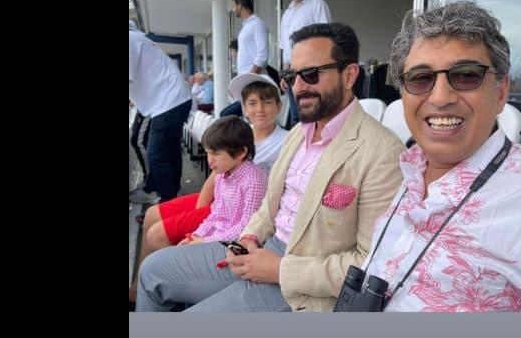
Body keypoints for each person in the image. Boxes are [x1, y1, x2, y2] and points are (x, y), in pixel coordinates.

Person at [136, 23, 404, 312]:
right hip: (261, 247)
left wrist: (280, 269)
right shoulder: (299, 134)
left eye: (311, 74)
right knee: (151, 271)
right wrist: (249, 237)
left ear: (349, 75)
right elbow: (267, 206)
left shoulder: (383, 153)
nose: (299, 87)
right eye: (292, 75)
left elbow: (371, 263)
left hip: (303, 283)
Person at [360, 0, 521, 312]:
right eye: (421, 78)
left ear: (500, 92)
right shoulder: (412, 169)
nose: (440, 97)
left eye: (466, 75)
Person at [129, 117, 268, 308]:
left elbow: (245, 229)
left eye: (215, 154)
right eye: (207, 153)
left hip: (233, 247)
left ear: (241, 152)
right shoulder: (222, 174)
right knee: (176, 252)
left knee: (174, 263)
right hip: (216, 237)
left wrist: (203, 242)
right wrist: (195, 236)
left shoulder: (253, 181)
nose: (209, 160)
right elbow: (215, 214)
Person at [129, 23, 192, 203]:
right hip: (173, 99)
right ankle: (172, 197)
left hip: (168, 102)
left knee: (157, 155)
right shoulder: (137, 38)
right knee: (169, 150)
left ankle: (166, 203)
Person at [279, 0, 331, 125]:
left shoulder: (317, 4)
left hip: (310, 73)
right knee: (297, 118)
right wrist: (284, 74)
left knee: (314, 117)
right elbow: (285, 48)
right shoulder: (286, 14)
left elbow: (326, 39)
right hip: (291, 76)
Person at [227, 73, 289, 173]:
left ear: (278, 107)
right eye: (252, 103)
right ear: (245, 109)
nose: (260, 109)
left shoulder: (288, 141)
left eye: (267, 102)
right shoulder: (237, 139)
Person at [231, 0, 270, 76]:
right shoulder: (246, 27)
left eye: (234, 6)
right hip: (247, 79)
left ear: (240, 6)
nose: (233, 9)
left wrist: (249, 77)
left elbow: (262, 56)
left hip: (255, 81)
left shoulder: (257, 24)